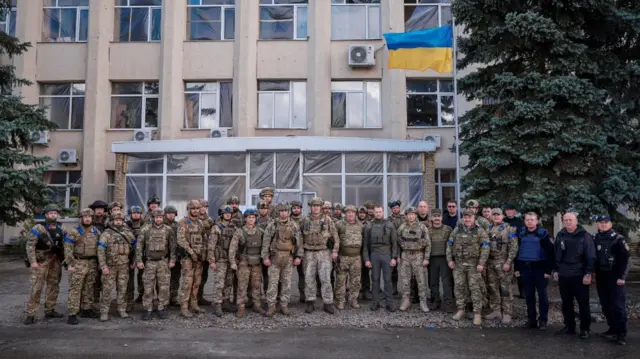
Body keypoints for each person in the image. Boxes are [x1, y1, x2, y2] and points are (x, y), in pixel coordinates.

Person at [553, 212, 596, 339]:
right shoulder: (561, 235)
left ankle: (585, 328)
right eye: (565, 220)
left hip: (579, 275)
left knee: (583, 304)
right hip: (564, 274)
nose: (568, 222)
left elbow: (591, 256)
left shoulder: (584, 236)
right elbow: (556, 253)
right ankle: (569, 326)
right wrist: (556, 270)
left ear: (576, 221)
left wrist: (588, 273)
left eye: (570, 220)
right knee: (566, 303)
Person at [23, 204, 66, 325]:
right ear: (46, 215)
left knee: (53, 286)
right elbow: (30, 245)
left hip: (55, 262)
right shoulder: (38, 228)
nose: (53, 215)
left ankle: (50, 310)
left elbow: (65, 247)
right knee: (36, 288)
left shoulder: (61, 229)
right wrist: (33, 262)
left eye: (55, 213)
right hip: (40, 262)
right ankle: (31, 314)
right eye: (51, 213)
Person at [447, 208, 490, 326]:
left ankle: (477, 313)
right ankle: (461, 309)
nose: (467, 219)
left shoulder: (480, 231)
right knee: (459, 287)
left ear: (474, 218)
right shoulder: (457, 230)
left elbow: (485, 248)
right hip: (459, 264)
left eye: (469, 217)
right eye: (465, 217)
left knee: (475, 288)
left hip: (474, 265)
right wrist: (450, 259)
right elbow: (449, 244)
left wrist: (481, 263)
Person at [593, 215, 630, 346]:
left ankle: (621, 334)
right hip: (602, 277)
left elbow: (626, 260)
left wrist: (622, 277)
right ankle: (612, 329)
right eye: (600, 222)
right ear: (597, 224)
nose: (603, 224)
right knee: (606, 305)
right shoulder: (596, 238)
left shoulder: (618, 239)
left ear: (610, 224)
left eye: (606, 222)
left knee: (618, 307)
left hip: (615, 278)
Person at [514, 212, 554, 331]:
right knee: (529, 296)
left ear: (537, 221)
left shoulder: (544, 234)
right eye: (527, 220)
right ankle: (531, 320)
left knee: (542, 296)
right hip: (526, 268)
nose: (529, 222)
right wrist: (517, 268)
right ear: (525, 221)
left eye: (532, 220)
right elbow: (517, 252)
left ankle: (543, 320)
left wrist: (548, 270)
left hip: (540, 268)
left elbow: (550, 253)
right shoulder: (521, 233)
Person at [262, 203, 303, 317]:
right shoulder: (272, 225)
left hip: (288, 258)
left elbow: (299, 242)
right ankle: (271, 306)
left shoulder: (294, 225)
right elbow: (266, 242)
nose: (283, 213)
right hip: (275, 258)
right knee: (273, 283)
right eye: (281, 211)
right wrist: (265, 257)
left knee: (287, 283)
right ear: (278, 212)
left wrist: (298, 256)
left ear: (288, 212)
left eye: (285, 210)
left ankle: (284, 305)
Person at [300, 197, 339, 314]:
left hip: (324, 252)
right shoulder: (305, 220)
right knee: (309, 278)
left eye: (317, 205)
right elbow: (299, 237)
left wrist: (335, 251)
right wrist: (300, 253)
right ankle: (310, 302)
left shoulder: (328, 220)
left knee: (326, 278)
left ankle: (328, 303)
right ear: (311, 207)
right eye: (313, 205)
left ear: (321, 207)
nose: (315, 208)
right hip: (309, 253)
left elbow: (335, 237)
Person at [137, 209, 176, 320]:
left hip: (163, 262)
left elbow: (173, 247)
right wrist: (139, 260)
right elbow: (139, 246)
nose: (158, 219)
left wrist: (172, 260)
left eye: (160, 217)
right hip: (149, 263)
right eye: (156, 217)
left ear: (162, 217)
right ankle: (147, 309)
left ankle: (161, 308)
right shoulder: (145, 229)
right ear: (153, 218)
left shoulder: (168, 230)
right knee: (148, 287)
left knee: (163, 287)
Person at [64, 208, 101, 324]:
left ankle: (86, 308)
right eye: (85, 217)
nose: (87, 219)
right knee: (75, 288)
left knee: (89, 288)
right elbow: (68, 248)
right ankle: (72, 313)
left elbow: (100, 248)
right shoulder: (74, 231)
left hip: (92, 263)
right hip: (78, 263)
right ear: (81, 218)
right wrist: (69, 263)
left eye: (89, 217)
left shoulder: (96, 231)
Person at [97, 212, 135, 321]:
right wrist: (103, 266)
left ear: (123, 221)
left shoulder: (128, 233)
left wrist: (133, 261)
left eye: (120, 220)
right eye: (116, 220)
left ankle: (121, 309)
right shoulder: (106, 234)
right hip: (110, 266)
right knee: (107, 289)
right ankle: (104, 312)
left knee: (123, 289)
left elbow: (135, 247)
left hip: (123, 266)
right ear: (112, 221)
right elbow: (100, 250)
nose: (118, 221)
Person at [229, 209, 266, 318]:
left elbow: (266, 245)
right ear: (245, 218)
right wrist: (232, 262)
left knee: (256, 286)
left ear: (256, 219)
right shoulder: (240, 232)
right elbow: (232, 248)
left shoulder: (260, 231)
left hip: (256, 263)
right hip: (244, 262)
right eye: (249, 217)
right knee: (242, 286)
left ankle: (256, 305)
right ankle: (240, 307)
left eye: (253, 217)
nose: (251, 219)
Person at [484, 208, 518, 324]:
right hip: (491, 262)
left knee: (505, 289)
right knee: (493, 287)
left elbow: (514, 248)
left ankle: (507, 313)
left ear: (503, 216)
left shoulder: (510, 229)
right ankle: (496, 310)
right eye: (494, 215)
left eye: (498, 215)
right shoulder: (488, 228)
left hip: (503, 263)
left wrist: (508, 262)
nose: (496, 216)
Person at [363, 204, 398, 312]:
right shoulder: (369, 226)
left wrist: (394, 257)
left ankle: (389, 303)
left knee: (388, 280)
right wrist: (366, 259)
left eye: (380, 212)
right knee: (375, 280)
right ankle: (375, 303)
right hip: (374, 255)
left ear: (383, 212)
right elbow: (365, 245)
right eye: (376, 212)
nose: (378, 213)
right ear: (373, 213)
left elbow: (394, 243)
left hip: (387, 255)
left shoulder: (390, 225)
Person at [177, 200, 209, 318]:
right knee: (187, 282)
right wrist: (191, 253)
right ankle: (184, 307)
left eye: (197, 208)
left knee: (197, 282)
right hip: (188, 258)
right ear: (189, 209)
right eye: (193, 209)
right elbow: (180, 240)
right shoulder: (183, 222)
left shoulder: (200, 223)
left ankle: (194, 304)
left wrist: (203, 253)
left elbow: (205, 238)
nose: (195, 211)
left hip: (199, 258)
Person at [397, 207, 431, 313]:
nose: (411, 216)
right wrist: (398, 256)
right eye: (409, 214)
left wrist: (426, 258)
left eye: (413, 214)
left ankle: (423, 302)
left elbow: (428, 243)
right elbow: (397, 243)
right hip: (406, 256)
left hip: (418, 256)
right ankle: (406, 300)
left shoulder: (422, 226)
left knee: (421, 280)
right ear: (406, 215)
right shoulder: (402, 227)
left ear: (416, 215)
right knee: (405, 280)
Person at [334, 205, 364, 310]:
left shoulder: (360, 226)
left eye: (352, 212)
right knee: (341, 280)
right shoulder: (339, 225)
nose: (350, 214)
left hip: (356, 258)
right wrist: (335, 253)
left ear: (355, 214)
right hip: (343, 257)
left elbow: (364, 242)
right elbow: (333, 240)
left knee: (355, 280)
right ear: (345, 214)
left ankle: (353, 299)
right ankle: (340, 300)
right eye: (348, 212)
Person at [211, 205, 237, 316]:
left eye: (229, 213)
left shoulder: (234, 228)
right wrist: (211, 260)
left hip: (230, 259)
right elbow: (211, 246)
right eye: (226, 213)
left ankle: (226, 302)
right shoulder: (216, 228)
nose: (228, 215)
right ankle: (217, 303)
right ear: (222, 214)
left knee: (229, 282)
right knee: (219, 283)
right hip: (220, 259)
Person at [427, 208, 453, 311]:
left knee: (446, 282)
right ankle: (436, 301)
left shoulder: (448, 229)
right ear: (431, 218)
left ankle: (448, 303)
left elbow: (451, 245)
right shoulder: (428, 230)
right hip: (432, 259)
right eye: (434, 216)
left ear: (442, 217)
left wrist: (451, 259)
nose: (436, 218)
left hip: (444, 259)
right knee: (433, 282)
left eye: (438, 216)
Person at [504, 204, 525, 298]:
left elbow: (522, 235)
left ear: (515, 211)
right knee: (505, 272)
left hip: (518, 249)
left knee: (519, 271)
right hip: (504, 250)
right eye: (507, 210)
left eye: (511, 210)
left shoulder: (520, 222)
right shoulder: (502, 221)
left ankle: (522, 292)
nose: (509, 211)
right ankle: (506, 293)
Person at [197, 199, 214, 306]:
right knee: (194, 277)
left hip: (206, 252)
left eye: (205, 207)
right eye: (201, 207)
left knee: (204, 276)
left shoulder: (210, 220)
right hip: (196, 252)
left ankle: (200, 297)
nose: (203, 209)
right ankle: (192, 299)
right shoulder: (193, 219)